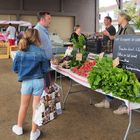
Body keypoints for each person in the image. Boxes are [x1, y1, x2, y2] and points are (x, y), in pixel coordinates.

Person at [95, 11, 135, 115]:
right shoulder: (120, 28)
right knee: (114, 78)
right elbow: (114, 38)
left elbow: (132, 44)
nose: (117, 18)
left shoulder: (129, 29)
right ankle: (107, 101)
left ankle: (125, 106)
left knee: (124, 81)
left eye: (118, 16)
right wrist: (108, 35)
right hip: (118, 57)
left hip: (127, 59)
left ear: (124, 18)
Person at [12, 29, 48, 140]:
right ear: (37, 38)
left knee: (23, 105)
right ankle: (33, 133)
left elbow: (15, 69)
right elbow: (46, 69)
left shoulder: (20, 52)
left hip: (26, 82)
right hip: (38, 81)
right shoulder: (41, 52)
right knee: (36, 108)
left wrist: (24, 72)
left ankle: (19, 128)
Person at [35, 11, 52, 88]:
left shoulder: (44, 30)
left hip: (45, 63)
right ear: (42, 19)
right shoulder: (36, 31)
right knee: (43, 87)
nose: (50, 21)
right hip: (40, 64)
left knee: (46, 87)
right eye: (48, 19)